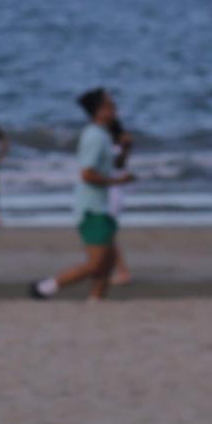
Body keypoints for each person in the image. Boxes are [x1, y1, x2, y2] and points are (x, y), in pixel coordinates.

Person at [28, 87, 135, 302]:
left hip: (103, 206)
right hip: (91, 208)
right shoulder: (94, 136)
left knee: (107, 263)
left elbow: (114, 166)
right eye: (110, 105)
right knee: (96, 264)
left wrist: (125, 149)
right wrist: (118, 181)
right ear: (99, 111)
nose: (115, 109)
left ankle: (96, 301)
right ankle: (45, 287)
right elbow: (87, 174)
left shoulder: (104, 134)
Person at [107, 116, 135, 286]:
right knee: (107, 236)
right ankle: (116, 269)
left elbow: (117, 164)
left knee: (107, 236)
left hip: (112, 195)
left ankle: (122, 271)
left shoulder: (114, 149)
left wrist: (126, 146)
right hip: (114, 194)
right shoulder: (117, 149)